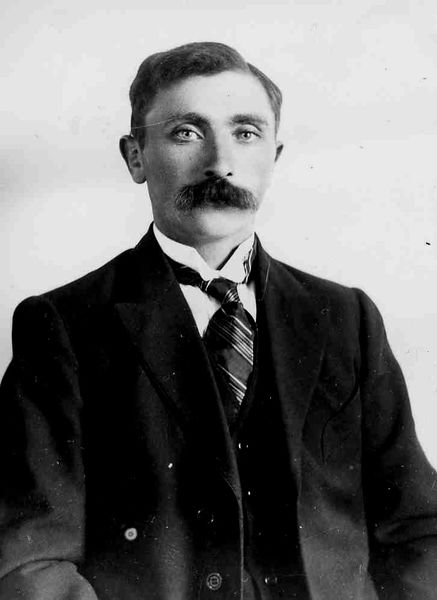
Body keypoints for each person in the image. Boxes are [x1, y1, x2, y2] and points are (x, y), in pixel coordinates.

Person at [0, 41, 436, 600]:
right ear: (135, 157)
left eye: (246, 132)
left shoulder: (346, 318)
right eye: (186, 132)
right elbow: (30, 559)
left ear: (275, 155)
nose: (220, 161)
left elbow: (418, 529)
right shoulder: (63, 324)